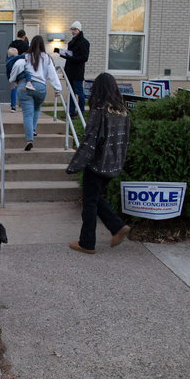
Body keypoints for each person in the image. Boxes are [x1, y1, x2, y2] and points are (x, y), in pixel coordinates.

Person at [65, 72, 131, 254]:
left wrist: (75, 165)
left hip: (97, 165)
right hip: (112, 165)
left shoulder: (99, 110)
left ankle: (87, 242)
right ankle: (117, 227)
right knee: (94, 198)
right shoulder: (123, 111)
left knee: (89, 203)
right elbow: (124, 140)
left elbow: (90, 140)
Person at [8, 35, 61, 151]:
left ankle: (29, 140)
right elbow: (52, 75)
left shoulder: (25, 57)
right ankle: (33, 129)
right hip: (40, 88)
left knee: (27, 114)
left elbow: (16, 67)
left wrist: (12, 79)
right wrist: (58, 89)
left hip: (24, 87)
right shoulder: (47, 58)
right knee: (36, 109)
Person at [59, 21, 90, 119]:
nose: (73, 31)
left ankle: (80, 111)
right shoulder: (71, 42)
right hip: (70, 71)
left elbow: (84, 58)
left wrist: (71, 58)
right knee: (70, 92)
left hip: (77, 72)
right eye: (72, 29)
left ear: (79, 30)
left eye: (75, 29)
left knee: (79, 92)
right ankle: (71, 111)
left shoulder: (84, 42)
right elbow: (70, 56)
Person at [8, 30, 29, 113]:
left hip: (13, 67)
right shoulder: (25, 46)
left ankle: (13, 106)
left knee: (13, 87)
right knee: (23, 86)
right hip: (22, 67)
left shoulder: (11, 45)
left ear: (17, 35)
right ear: (24, 36)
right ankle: (22, 103)